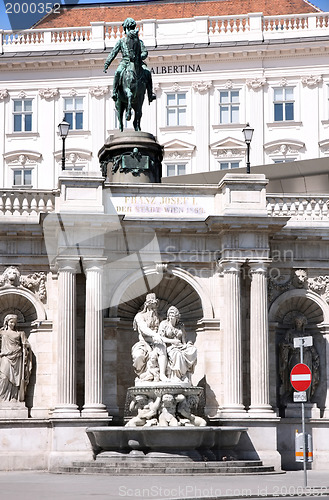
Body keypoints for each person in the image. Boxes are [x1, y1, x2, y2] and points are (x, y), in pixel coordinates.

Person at [103, 17, 156, 104]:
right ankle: (115, 92)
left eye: (132, 28)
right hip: (125, 62)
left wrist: (139, 57)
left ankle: (150, 93)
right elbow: (113, 53)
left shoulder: (139, 42)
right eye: (129, 28)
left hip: (137, 62)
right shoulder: (121, 41)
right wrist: (107, 63)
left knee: (147, 72)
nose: (131, 30)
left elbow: (145, 52)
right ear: (126, 29)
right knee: (118, 72)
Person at [279, 312, 320, 404]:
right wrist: (290, 345)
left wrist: (315, 356)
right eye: (297, 321)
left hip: (307, 356)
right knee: (295, 374)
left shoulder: (307, 333)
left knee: (307, 375)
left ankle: (306, 398)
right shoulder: (290, 333)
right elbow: (282, 344)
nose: (298, 322)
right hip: (295, 355)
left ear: (303, 322)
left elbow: (311, 346)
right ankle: (295, 397)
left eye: (300, 321)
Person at [132, 293, 168, 382]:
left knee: (162, 348)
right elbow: (143, 328)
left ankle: (162, 374)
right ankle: (141, 373)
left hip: (157, 342)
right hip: (144, 343)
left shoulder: (160, 317)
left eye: (154, 305)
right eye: (150, 305)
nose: (152, 308)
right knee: (138, 356)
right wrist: (155, 335)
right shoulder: (139, 316)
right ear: (146, 305)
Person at [158, 306, 197, 384]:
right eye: (170, 315)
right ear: (168, 316)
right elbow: (160, 338)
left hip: (180, 346)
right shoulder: (164, 324)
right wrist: (173, 341)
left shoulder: (180, 325)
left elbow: (183, 340)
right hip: (169, 346)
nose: (171, 317)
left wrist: (186, 345)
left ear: (177, 317)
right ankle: (177, 376)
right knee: (178, 354)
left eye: (173, 315)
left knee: (193, 349)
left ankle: (185, 375)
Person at [0, 314, 32, 402]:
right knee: (3, 377)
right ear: (6, 322)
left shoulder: (20, 333)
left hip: (17, 357)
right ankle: (2, 398)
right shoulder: (2, 333)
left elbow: (26, 345)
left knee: (15, 379)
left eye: (14, 322)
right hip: (5, 356)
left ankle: (13, 397)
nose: (13, 324)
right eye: (11, 322)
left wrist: (26, 347)